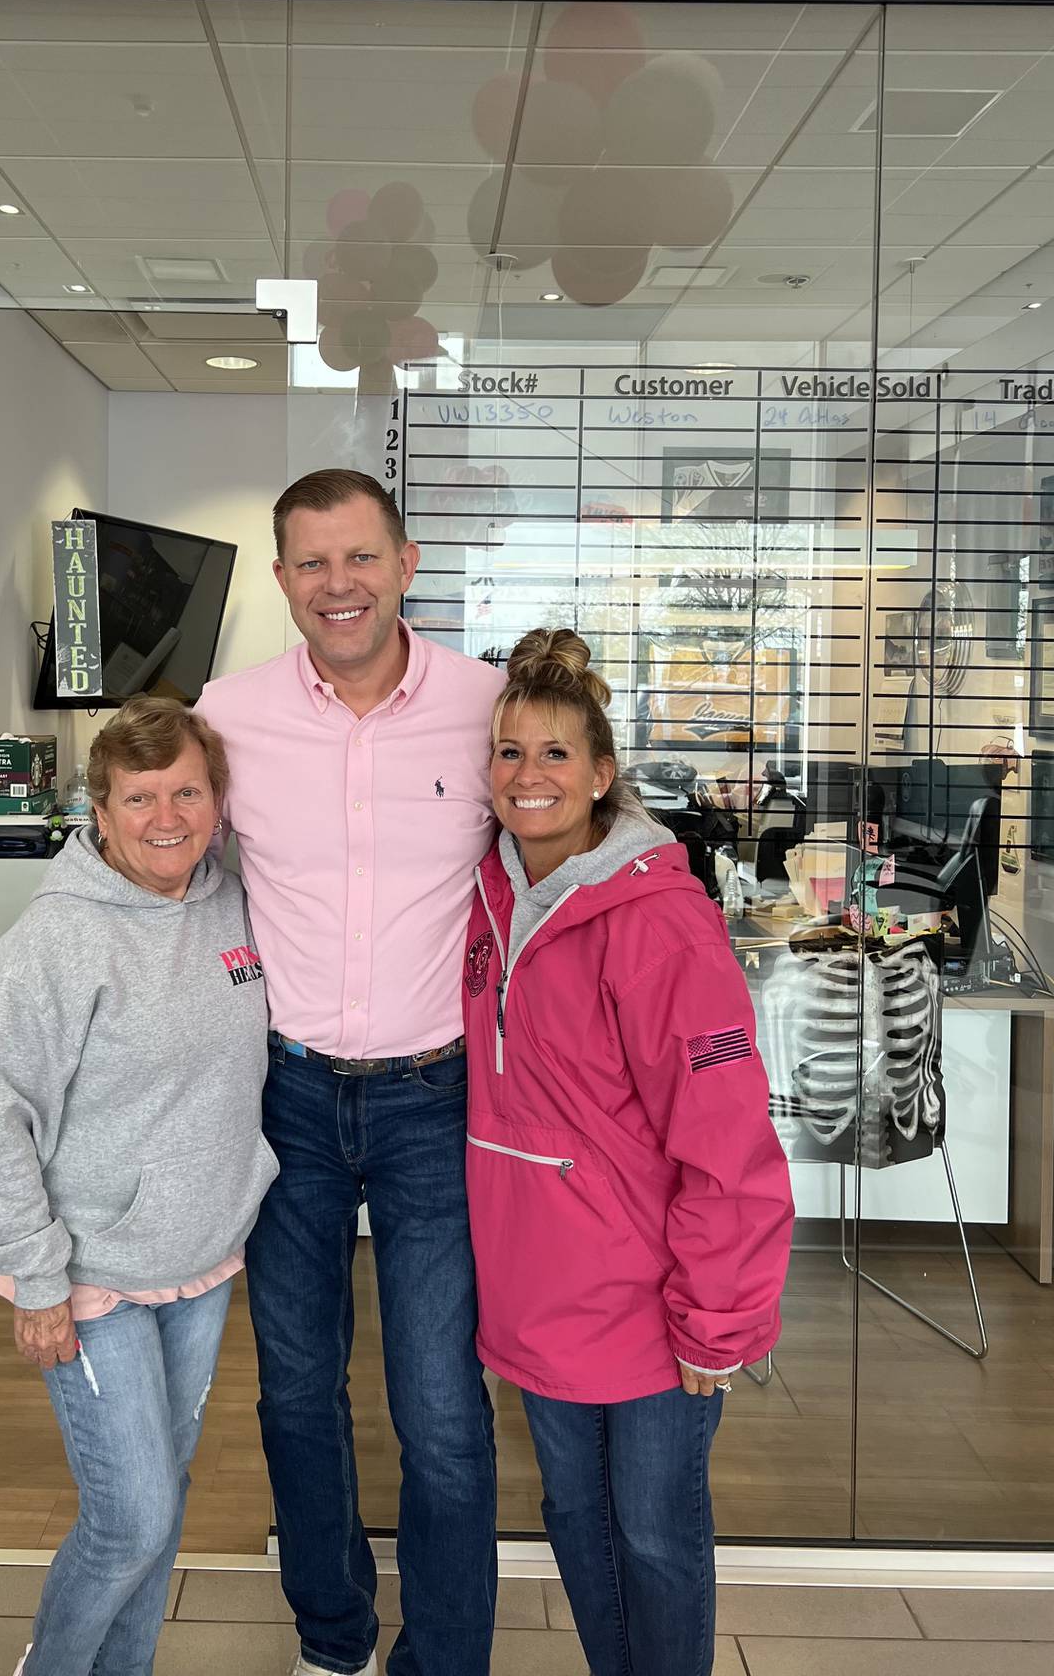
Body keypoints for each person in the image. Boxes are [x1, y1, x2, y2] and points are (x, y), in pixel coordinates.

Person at [196, 468, 501, 1676]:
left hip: (439, 1098)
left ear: (407, 563)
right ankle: (333, 1640)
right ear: (281, 581)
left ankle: (445, 1659)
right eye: (313, 564)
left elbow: (577, 834)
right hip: (288, 1100)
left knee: (442, 1415)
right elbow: (159, 852)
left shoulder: (482, 707)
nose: (340, 586)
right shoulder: (230, 711)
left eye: (361, 558)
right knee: (294, 1397)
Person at [461, 629, 794, 1676]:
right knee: (577, 1520)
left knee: (654, 1532)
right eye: (510, 752)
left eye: (557, 754)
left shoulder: (661, 923)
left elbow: (728, 1138)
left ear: (603, 775)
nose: (530, 776)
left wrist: (719, 1318)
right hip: (536, 1292)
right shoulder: (485, 895)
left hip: (657, 1302)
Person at [0, 697, 277, 1676]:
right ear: (100, 808)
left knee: (160, 1502)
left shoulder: (232, 902)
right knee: (131, 1517)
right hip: (92, 1272)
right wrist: (37, 1279)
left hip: (202, 1259)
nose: (166, 816)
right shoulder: (54, 943)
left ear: (218, 800)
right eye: (141, 797)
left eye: (187, 791)